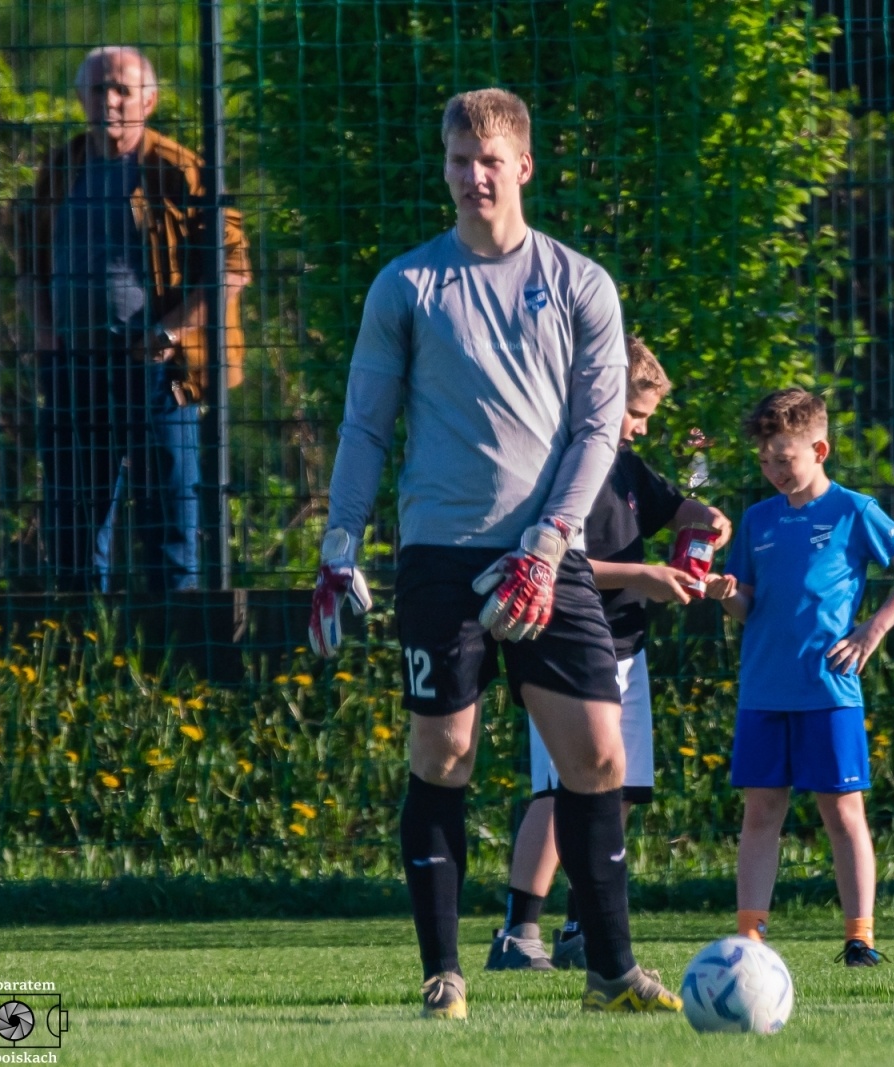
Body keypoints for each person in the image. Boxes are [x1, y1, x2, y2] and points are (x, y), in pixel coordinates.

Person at [309, 87, 682, 1020]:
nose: (474, 176)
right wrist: (339, 544)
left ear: (524, 165)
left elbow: (598, 432)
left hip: (549, 557)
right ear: (444, 168)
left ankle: (611, 974)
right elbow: (365, 425)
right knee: (445, 754)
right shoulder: (407, 286)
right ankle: (444, 974)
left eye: (490, 160)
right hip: (441, 554)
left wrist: (548, 546)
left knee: (597, 755)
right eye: (458, 161)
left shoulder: (581, 283)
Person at [487, 336, 731, 972]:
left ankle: (582, 926)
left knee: (615, 790)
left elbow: (677, 508)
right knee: (558, 791)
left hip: (627, 645)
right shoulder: (560, 467)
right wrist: (643, 576)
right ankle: (517, 932)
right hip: (565, 644)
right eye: (636, 413)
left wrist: (707, 518)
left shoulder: (625, 466)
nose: (641, 428)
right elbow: (551, 563)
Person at [706, 387, 894, 966]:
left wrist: (872, 630)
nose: (774, 470)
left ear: (820, 450)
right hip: (763, 690)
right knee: (761, 813)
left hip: (829, 689)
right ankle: (750, 938)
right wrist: (725, 594)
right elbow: (747, 604)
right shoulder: (757, 519)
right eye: (765, 460)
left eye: (784, 458)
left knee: (842, 812)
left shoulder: (854, 510)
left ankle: (860, 939)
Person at [27, 46, 250, 592]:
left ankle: (175, 633)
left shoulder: (179, 170)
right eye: (98, 89)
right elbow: (30, 262)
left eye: (122, 90)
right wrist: (46, 333)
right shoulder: (61, 167)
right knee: (74, 516)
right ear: (80, 97)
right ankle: (83, 634)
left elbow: (231, 268)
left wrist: (169, 332)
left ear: (149, 101)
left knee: (167, 510)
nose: (110, 100)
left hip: (155, 367)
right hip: (75, 364)